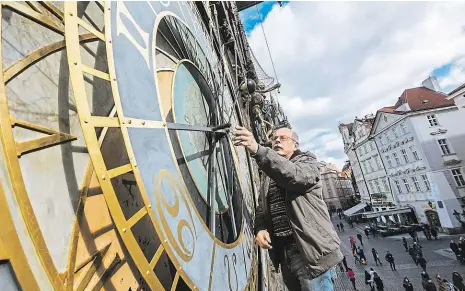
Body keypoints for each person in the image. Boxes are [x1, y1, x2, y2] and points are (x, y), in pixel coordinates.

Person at [241, 126, 343, 291]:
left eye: (283, 138)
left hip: (311, 252)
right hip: (285, 253)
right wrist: (260, 228)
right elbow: (262, 207)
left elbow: (294, 176)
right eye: (274, 139)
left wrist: (258, 150)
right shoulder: (269, 175)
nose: (277, 141)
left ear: (295, 145)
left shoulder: (308, 163)